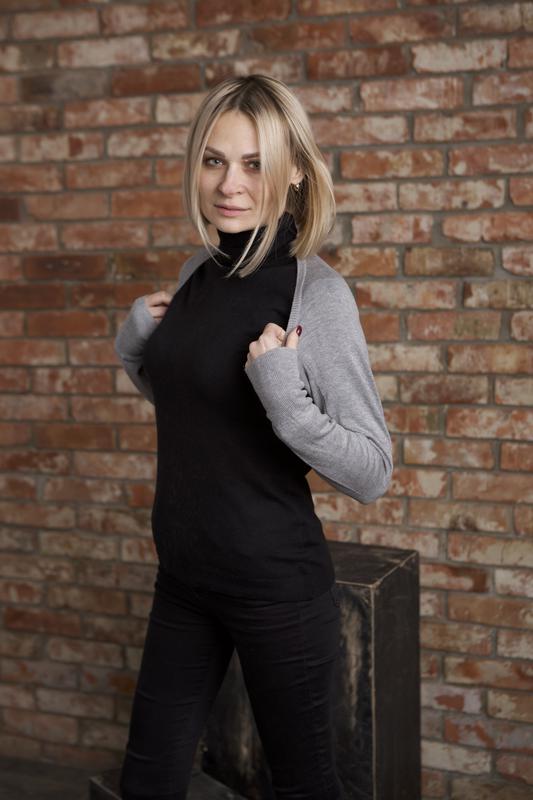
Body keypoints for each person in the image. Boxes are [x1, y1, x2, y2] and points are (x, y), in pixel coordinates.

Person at [115, 74, 393, 800]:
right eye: (213, 161)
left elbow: (372, 472)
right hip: (184, 578)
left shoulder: (316, 294)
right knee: (147, 781)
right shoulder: (196, 274)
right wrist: (136, 350)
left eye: (253, 163)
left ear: (294, 171)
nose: (229, 184)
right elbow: (197, 412)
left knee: (305, 787)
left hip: (276, 591)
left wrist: (288, 403)